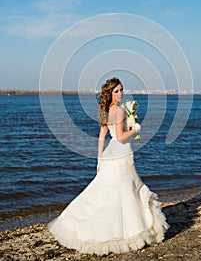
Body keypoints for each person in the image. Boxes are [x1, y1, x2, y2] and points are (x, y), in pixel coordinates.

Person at [48, 77, 169, 255]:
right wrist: (135, 129)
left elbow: (102, 135)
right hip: (121, 153)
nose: (120, 94)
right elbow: (120, 137)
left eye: (121, 90)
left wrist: (99, 159)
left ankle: (90, 223)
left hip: (109, 154)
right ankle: (126, 230)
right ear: (110, 93)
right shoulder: (119, 111)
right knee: (124, 190)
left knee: (109, 191)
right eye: (116, 91)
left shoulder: (105, 109)